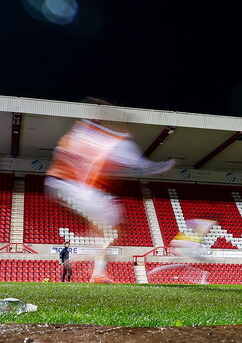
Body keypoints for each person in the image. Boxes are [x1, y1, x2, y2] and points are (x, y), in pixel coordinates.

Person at [45, 98, 174, 283]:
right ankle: (96, 270)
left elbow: (63, 150)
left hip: (57, 184)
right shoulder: (118, 141)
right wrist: (166, 164)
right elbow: (141, 164)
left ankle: (94, 265)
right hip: (81, 189)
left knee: (100, 230)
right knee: (118, 229)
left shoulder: (83, 130)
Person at [147, 218, 217, 284]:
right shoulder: (191, 240)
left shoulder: (194, 241)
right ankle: (154, 270)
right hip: (185, 247)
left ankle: (154, 270)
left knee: (185, 265)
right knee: (181, 264)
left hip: (185, 248)